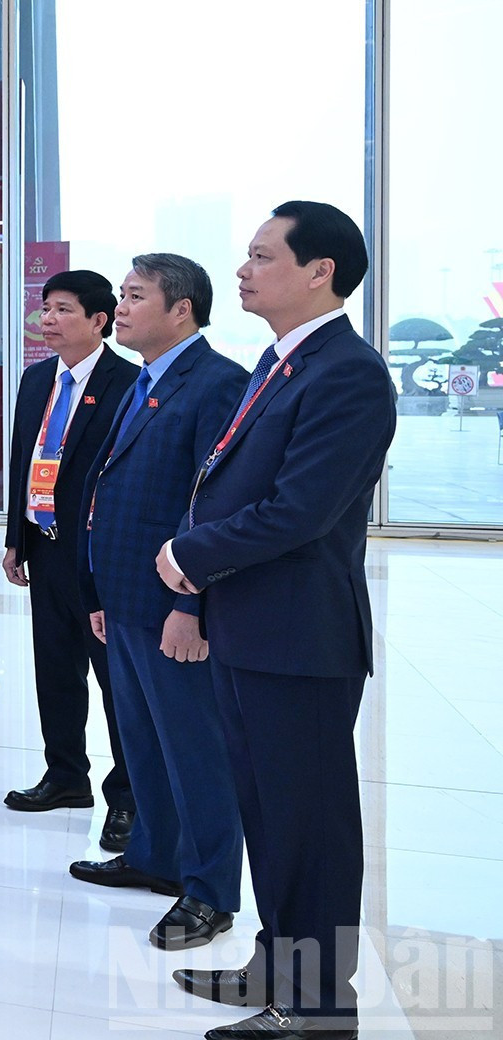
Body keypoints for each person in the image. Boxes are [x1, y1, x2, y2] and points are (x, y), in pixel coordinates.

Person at [159, 203, 395, 1040]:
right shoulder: (281, 361)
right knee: (270, 815)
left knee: (311, 828)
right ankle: (278, 967)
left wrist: (192, 554)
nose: (245, 269)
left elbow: (298, 510)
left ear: (319, 270)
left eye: (263, 256)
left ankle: (321, 1009)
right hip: (252, 629)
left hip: (300, 640)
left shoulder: (349, 373)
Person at [68, 255, 247, 953]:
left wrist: (191, 606)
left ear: (181, 310)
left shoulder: (216, 384)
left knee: (194, 750)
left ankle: (209, 891)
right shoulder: (144, 383)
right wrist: (102, 593)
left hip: (173, 605)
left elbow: (210, 505)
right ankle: (154, 856)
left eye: (135, 296)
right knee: (142, 744)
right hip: (125, 597)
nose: (123, 306)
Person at [2, 269, 139, 846]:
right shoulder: (36, 380)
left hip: (99, 556)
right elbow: (23, 459)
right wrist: (16, 535)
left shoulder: (127, 381)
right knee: (55, 669)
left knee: (116, 681)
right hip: (45, 544)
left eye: (62, 310)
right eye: (45, 309)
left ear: (98, 321)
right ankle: (64, 775)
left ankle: (129, 796)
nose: (48, 321)